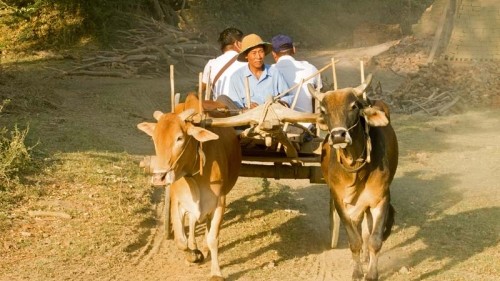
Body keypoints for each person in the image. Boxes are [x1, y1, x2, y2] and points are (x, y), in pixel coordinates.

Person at [224, 33, 291, 110]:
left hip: (274, 117)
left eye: (261, 51)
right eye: (254, 53)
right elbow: (235, 105)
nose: (258, 56)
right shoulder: (236, 77)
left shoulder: (275, 73)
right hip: (247, 119)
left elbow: (288, 97)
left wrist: (279, 104)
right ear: (246, 55)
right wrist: (246, 108)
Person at [271, 34, 323, 113]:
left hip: (280, 123)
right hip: (307, 123)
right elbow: (319, 94)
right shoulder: (310, 68)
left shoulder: (269, 71)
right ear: (294, 50)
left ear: (273, 54)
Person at [201, 27, 246, 100]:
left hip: (220, 107)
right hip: (243, 107)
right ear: (237, 43)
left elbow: (202, 88)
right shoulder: (246, 62)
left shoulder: (211, 64)